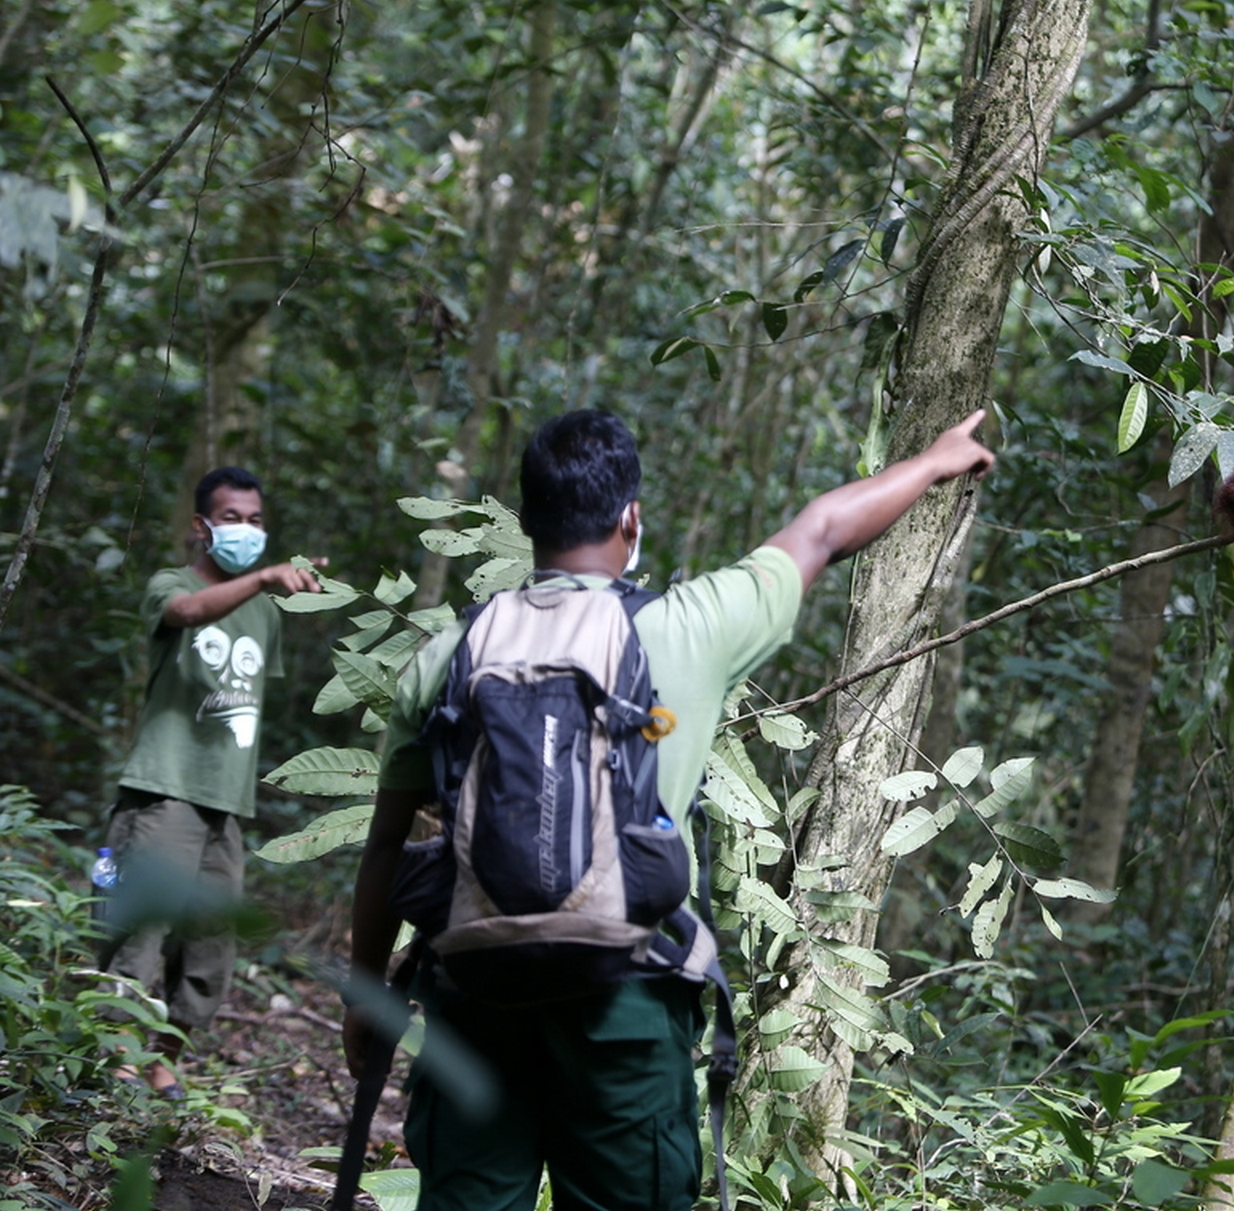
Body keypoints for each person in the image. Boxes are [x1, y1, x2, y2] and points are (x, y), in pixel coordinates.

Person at [343, 407, 994, 1209]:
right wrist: (934, 460)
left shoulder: (447, 654)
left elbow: (388, 846)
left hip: (476, 997)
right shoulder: (687, 627)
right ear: (631, 518)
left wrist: (365, 994)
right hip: (630, 1002)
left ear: (529, 520)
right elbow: (823, 530)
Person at [102, 465, 324, 1097]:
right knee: (140, 931)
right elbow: (186, 612)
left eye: (255, 521)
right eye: (232, 519)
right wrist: (264, 577)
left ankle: (164, 1062)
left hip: (226, 801)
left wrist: (271, 588)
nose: (246, 530)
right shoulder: (170, 584)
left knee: (209, 948)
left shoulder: (264, 615)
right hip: (164, 787)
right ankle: (113, 1059)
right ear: (202, 526)